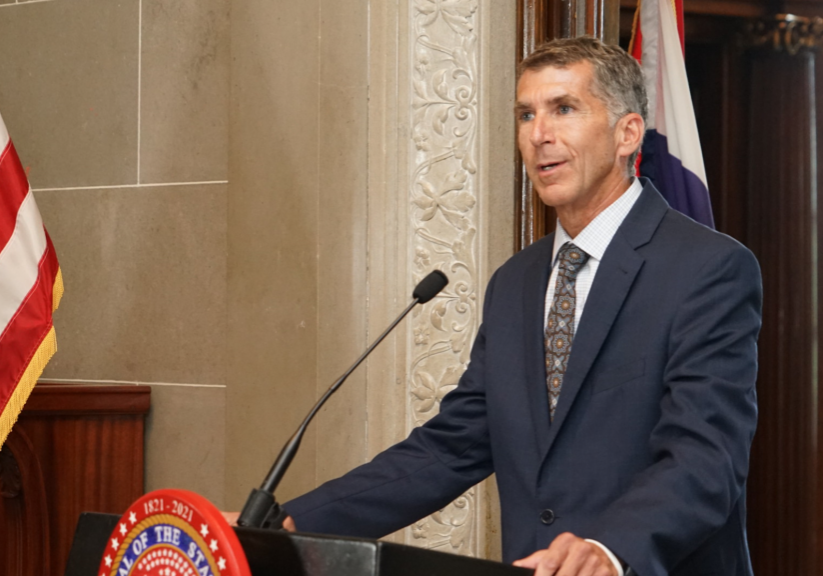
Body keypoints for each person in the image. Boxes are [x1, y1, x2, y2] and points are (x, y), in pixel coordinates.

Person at [280, 37, 762, 576]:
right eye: (526, 114)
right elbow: (449, 449)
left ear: (628, 133)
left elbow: (704, 459)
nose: (539, 135)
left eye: (564, 109)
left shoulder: (707, 268)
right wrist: (288, 525)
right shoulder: (516, 282)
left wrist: (609, 548)